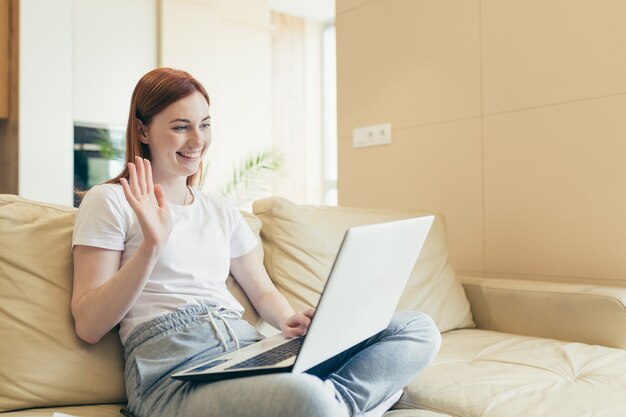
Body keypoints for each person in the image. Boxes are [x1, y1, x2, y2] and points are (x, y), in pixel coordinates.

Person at [71, 67, 441, 417]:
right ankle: (344, 403)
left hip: (246, 352)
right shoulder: (110, 201)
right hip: (171, 373)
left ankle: (331, 406)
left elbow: (262, 294)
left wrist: (289, 320)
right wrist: (152, 245)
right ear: (143, 130)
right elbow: (89, 325)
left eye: (205, 125)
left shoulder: (219, 208)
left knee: (416, 328)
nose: (197, 141)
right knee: (309, 397)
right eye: (181, 127)